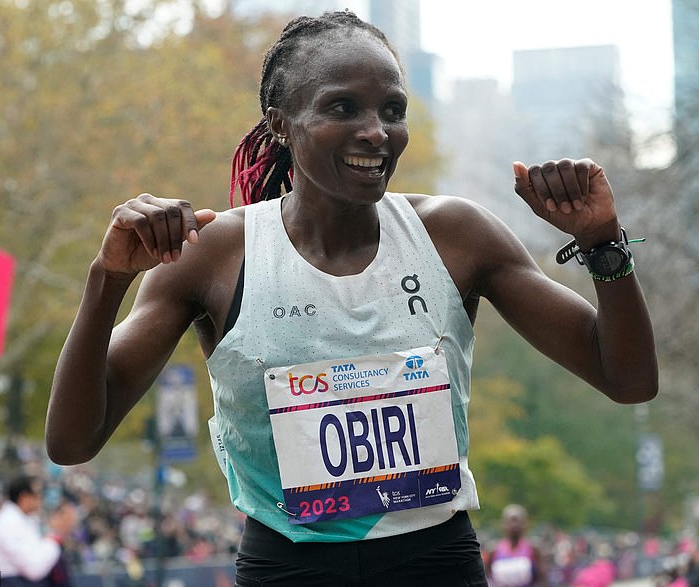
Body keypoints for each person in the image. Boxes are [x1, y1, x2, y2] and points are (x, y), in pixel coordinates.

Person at [45, 10, 658, 586]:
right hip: (287, 566)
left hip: (435, 560)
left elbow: (626, 377)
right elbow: (73, 441)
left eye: (393, 109)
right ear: (279, 121)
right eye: (342, 107)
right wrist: (108, 279)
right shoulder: (216, 254)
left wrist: (601, 241)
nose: (376, 131)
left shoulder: (454, 236)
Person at [0, 475, 78, 587]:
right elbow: (34, 569)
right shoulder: (8, 522)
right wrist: (54, 539)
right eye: (38, 494)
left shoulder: (25, 519)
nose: (41, 498)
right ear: (25, 497)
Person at [488, 505, 545, 587]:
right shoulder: (493, 550)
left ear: (525, 524)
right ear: (503, 524)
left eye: (517, 521)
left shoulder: (534, 549)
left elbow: (543, 580)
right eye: (511, 521)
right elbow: (485, 578)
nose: (514, 525)